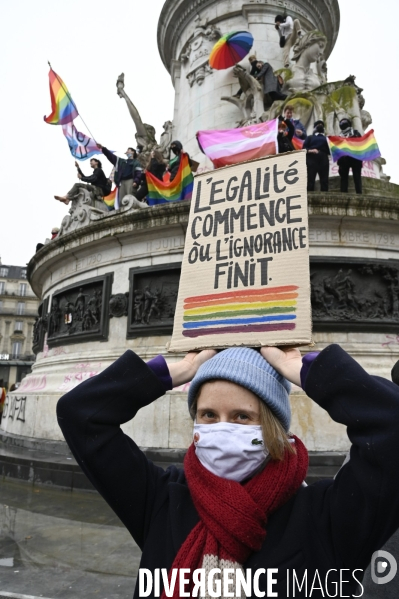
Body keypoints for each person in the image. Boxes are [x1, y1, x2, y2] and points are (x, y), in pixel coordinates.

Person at [57, 342, 399, 599]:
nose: (221, 429)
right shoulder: (163, 498)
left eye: (241, 416)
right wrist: (172, 372)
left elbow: (392, 424)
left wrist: (306, 370)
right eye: (208, 415)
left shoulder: (324, 515)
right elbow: (81, 414)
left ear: (272, 427)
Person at [337, 117, 363, 195]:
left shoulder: (355, 133)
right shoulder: (339, 137)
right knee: (344, 178)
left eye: (345, 121)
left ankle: (359, 193)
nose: (343, 122)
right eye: (341, 122)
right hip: (344, 160)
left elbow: (360, 143)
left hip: (355, 158)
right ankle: (344, 194)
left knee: (357, 177)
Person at [303, 119, 330, 191]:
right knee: (310, 179)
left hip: (324, 159)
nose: (320, 126)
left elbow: (331, 150)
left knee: (324, 180)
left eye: (322, 125)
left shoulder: (327, 138)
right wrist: (311, 150)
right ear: (315, 127)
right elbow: (303, 148)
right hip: (312, 159)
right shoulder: (310, 137)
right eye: (318, 125)